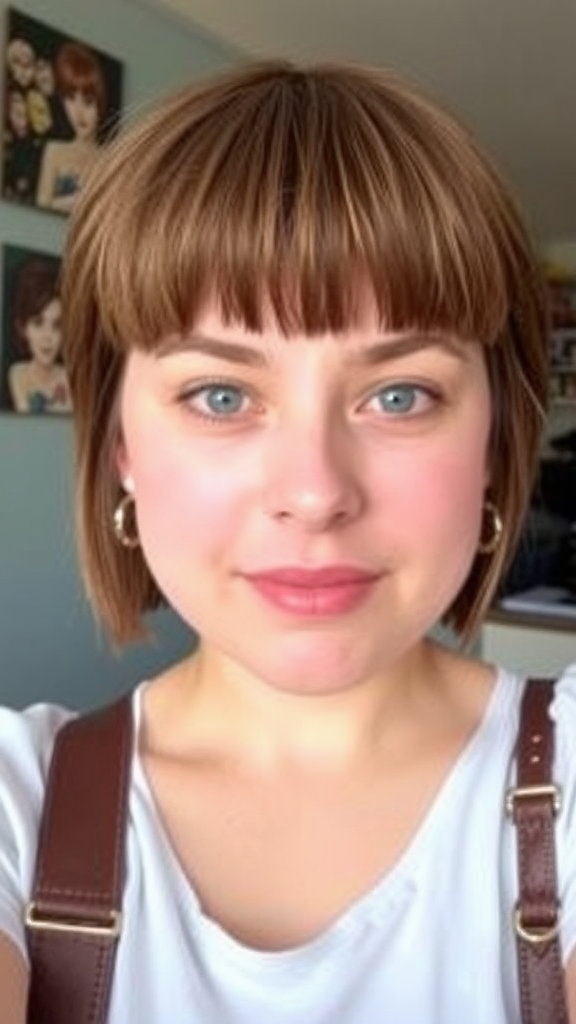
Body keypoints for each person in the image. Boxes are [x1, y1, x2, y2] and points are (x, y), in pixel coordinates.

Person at [0, 60, 574, 1024]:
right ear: (121, 448)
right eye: (220, 396)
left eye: (401, 395)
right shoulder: (20, 803)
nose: (315, 493)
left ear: (493, 444)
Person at [35, 41, 106, 213]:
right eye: (71, 99)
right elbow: (41, 209)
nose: (79, 112)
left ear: (100, 104)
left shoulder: (108, 161)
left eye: (88, 102)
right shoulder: (54, 151)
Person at [6, 257, 71, 414]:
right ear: (23, 328)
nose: (47, 337)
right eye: (38, 323)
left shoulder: (70, 377)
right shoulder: (18, 374)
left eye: (56, 326)